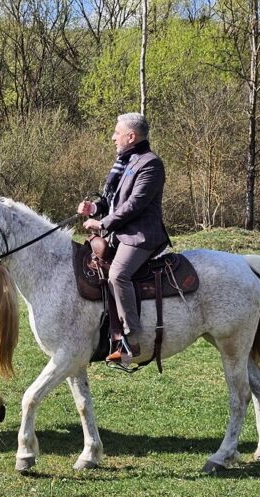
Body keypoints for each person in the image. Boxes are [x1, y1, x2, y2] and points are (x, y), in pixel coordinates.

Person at [78, 112, 171, 364]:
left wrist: (102, 223)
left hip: (141, 237)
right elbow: (114, 202)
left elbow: (134, 205)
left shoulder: (150, 164)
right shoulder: (128, 162)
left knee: (118, 274)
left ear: (131, 136)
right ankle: (107, 332)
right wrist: (95, 209)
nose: (113, 138)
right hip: (122, 233)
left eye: (117, 133)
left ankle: (132, 341)